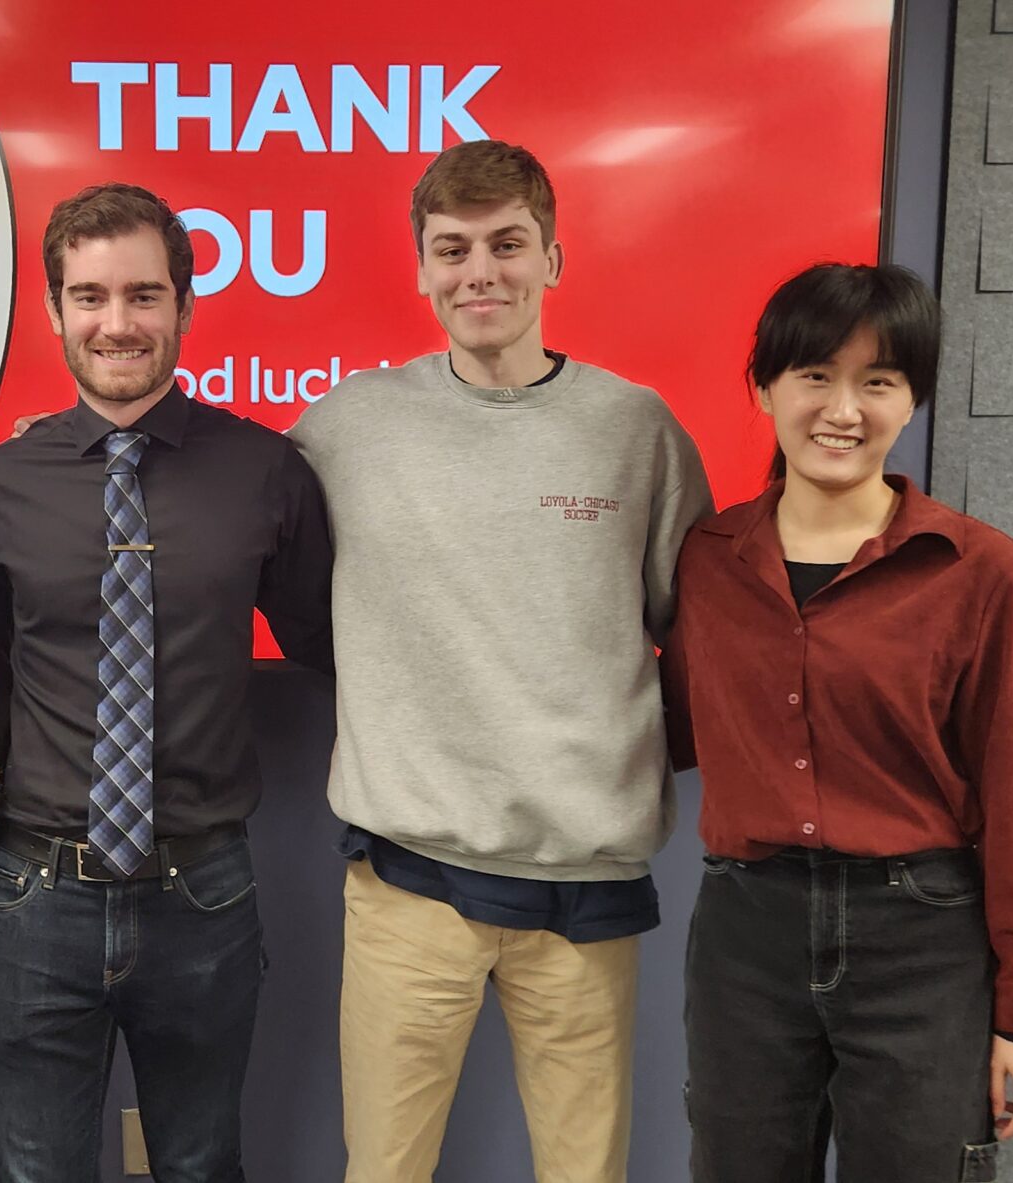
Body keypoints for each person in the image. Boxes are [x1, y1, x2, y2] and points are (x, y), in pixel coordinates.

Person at [286, 139, 709, 1183]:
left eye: (507, 244)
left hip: (583, 883)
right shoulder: (349, 425)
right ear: (422, 268)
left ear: (553, 259)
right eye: (453, 248)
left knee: (584, 1173)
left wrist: (636, 762)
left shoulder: (635, 430)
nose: (480, 271)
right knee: (381, 1169)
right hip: (406, 886)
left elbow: (701, 629)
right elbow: (226, 517)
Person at [658, 262, 1013, 1181]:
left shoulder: (979, 571)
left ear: (912, 398)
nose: (842, 408)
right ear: (766, 386)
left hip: (921, 937)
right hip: (748, 930)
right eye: (815, 374)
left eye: (877, 381)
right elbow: (666, 727)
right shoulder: (709, 561)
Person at [0, 181, 335, 1181]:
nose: (116, 323)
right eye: (89, 297)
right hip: (36, 889)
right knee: (38, 1170)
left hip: (202, 890)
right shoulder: (2, 482)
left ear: (183, 305)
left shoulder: (266, 472)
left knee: (203, 1162)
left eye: (142, 295)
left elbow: (329, 641)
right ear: (53, 311)